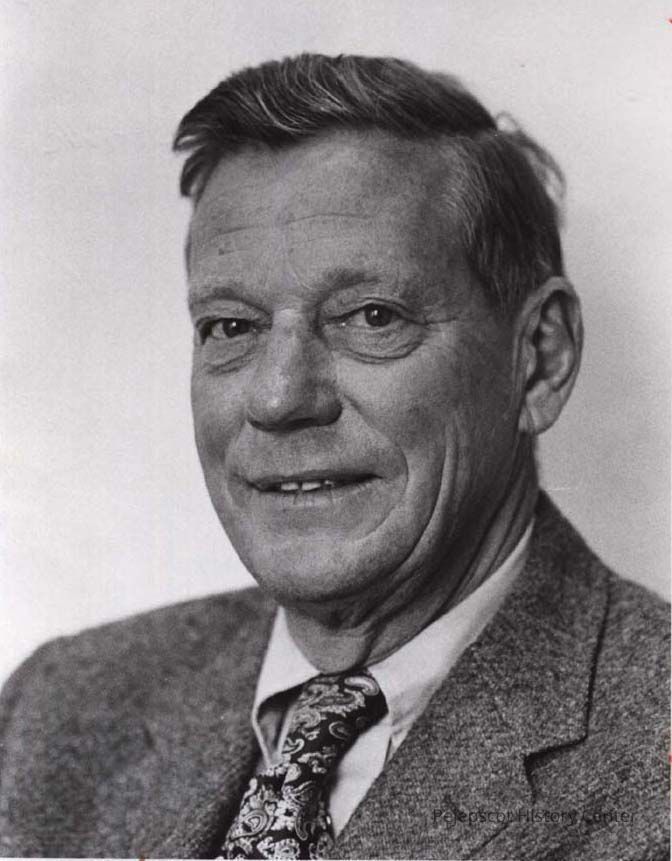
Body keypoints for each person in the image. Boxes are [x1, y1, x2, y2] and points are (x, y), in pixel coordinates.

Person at [0, 54, 668, 860]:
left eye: (371, 316)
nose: (279, 396)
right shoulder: (51, 713)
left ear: (539, 359)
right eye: (231, 326)